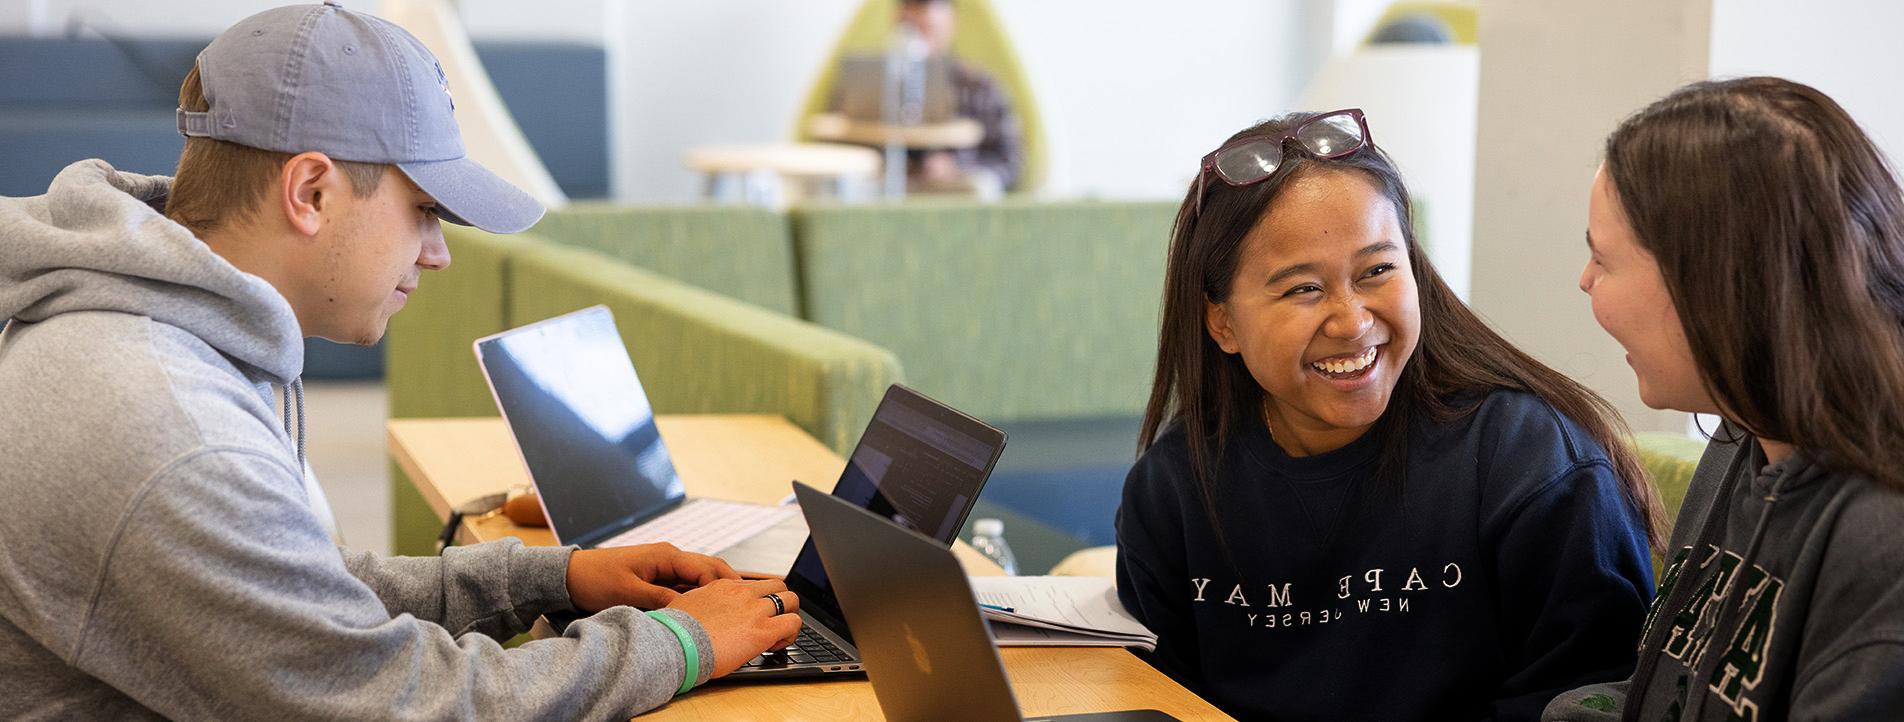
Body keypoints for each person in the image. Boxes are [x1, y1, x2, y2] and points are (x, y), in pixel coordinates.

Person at [0, 3, 800, 717]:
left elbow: (297, 594)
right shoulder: (169, 427)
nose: (439, 253)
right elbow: (398, 701)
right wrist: (681, 642)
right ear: (310, 191)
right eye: (422, 210)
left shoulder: (162, 333)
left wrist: (551, 580)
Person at [1115, 109, 1665, 720]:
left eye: (1377, 271)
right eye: (1302, 288)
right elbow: (1152, 700)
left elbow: (1591, 700)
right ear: (1221, 321)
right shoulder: (1175, 487)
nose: (1351, 322)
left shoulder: (1531, 466)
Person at [1544, 77, 1904, 720]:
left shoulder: (1882, 545)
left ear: (1712, 285)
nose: (1585, 280)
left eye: (1603, 259)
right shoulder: (1744, 434)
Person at [843, 0, 1024, 193]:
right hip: (882, 189)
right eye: (910, 29)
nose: (919, 42)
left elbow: (1011, 162)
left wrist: (957, 168)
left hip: (950, 194)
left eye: (928, 30)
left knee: (981, 187)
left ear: (951, 23)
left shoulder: (978, 87)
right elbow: (835, 147)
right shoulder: (866, 84)